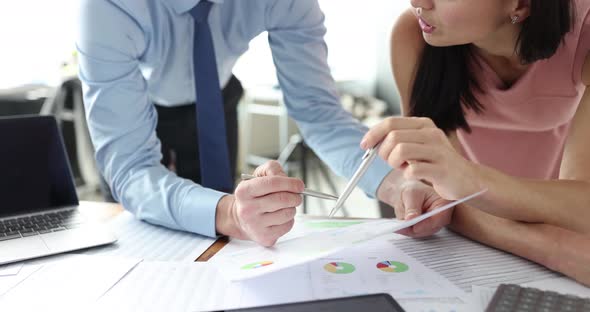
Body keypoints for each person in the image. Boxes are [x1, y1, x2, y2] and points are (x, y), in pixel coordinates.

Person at [78, 0, 444, 247]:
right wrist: (229, 214)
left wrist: (394, 184)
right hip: (139, 105)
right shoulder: (107, 8)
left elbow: (319, 113)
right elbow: (130, 168)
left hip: (216, 98)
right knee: (149, 237)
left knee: (230, 236)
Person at [361, 0, 590, 285]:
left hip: (508, 221)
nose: (417, 2)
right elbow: (440, 193)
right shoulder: (412, 35)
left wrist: (465, 182)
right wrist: (554, 247)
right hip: (483, 247)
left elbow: (583, 208)